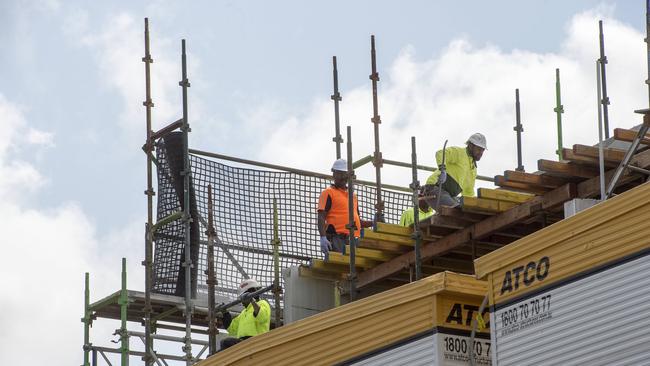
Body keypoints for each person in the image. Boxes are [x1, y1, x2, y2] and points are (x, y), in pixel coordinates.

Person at [318, 159, 373, 256]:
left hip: (354, 239)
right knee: (342, 268)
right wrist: (323, 237)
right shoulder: (328, 193)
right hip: (337, 239)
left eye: (344, 174)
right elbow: (321, 216)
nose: (343, 177)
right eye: (340, 174)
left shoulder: (353, 196)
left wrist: (373, 222)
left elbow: (358, 222)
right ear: (334, 174)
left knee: (354, 269)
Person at [423, 133, 487, 209]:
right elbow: (440, 153)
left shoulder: (473, 170)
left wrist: (472, 206)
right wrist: (442, 170)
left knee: (464, 210)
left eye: (483, 150)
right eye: (479, 149)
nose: (481, 153)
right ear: (471, 145)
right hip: (435, 188)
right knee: (455, 210)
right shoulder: (459, 152)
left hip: (449, 195)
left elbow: (468, 193)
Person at [219, 279, 271, 350]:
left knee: (225, 342)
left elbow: (261, 316)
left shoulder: (262, 303)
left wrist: (252, 300)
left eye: (243, 297)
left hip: (256, 341)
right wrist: (225, 313)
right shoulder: (244, 312)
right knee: (213, 354)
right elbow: (231, 328)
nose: (241, 301)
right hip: (244, 343)